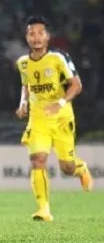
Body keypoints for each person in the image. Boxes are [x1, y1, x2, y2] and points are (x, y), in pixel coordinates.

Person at [15, 16, 93, 222]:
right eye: (32, 34)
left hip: (61, 117)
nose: (36, 38)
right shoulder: (22, 63)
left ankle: (80, 169)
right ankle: (43, 209)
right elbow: (26, 85)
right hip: (38, 118)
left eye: (40, 33)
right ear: (27, 37)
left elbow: (76, 85)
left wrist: (60, 102)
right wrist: (23, 103)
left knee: (67, 168)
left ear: (47, 37)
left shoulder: (59, 58)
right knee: (37, 160)